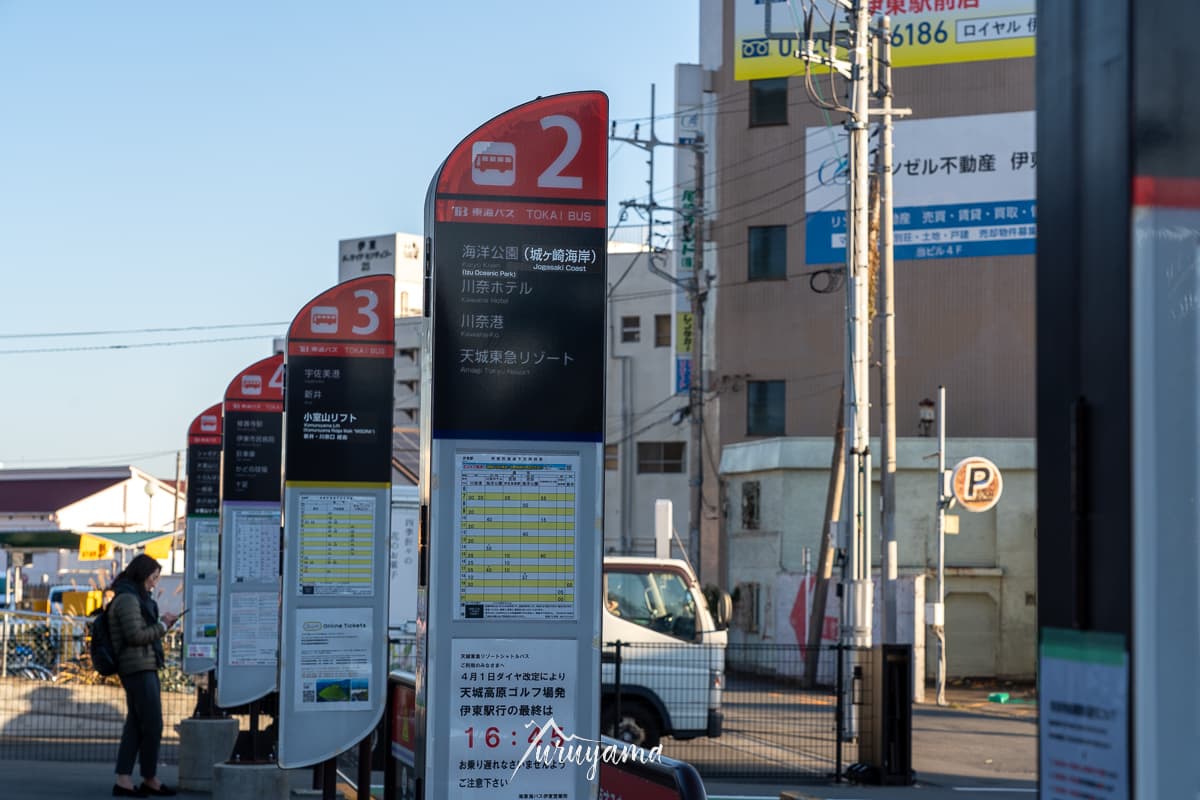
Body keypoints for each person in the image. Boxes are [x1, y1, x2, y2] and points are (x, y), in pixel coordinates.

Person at [108, 554, 178, 797]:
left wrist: (160, 624)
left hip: (142, 666)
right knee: (152, 723)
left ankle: (125, 779)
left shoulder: (134, 596)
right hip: (137, 667)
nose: (155, 583)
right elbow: (135, 636)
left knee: (136, 725)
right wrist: (163, 627)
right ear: (142, 573)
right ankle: (148, 777)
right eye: (153, 577)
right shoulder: (128, 599)